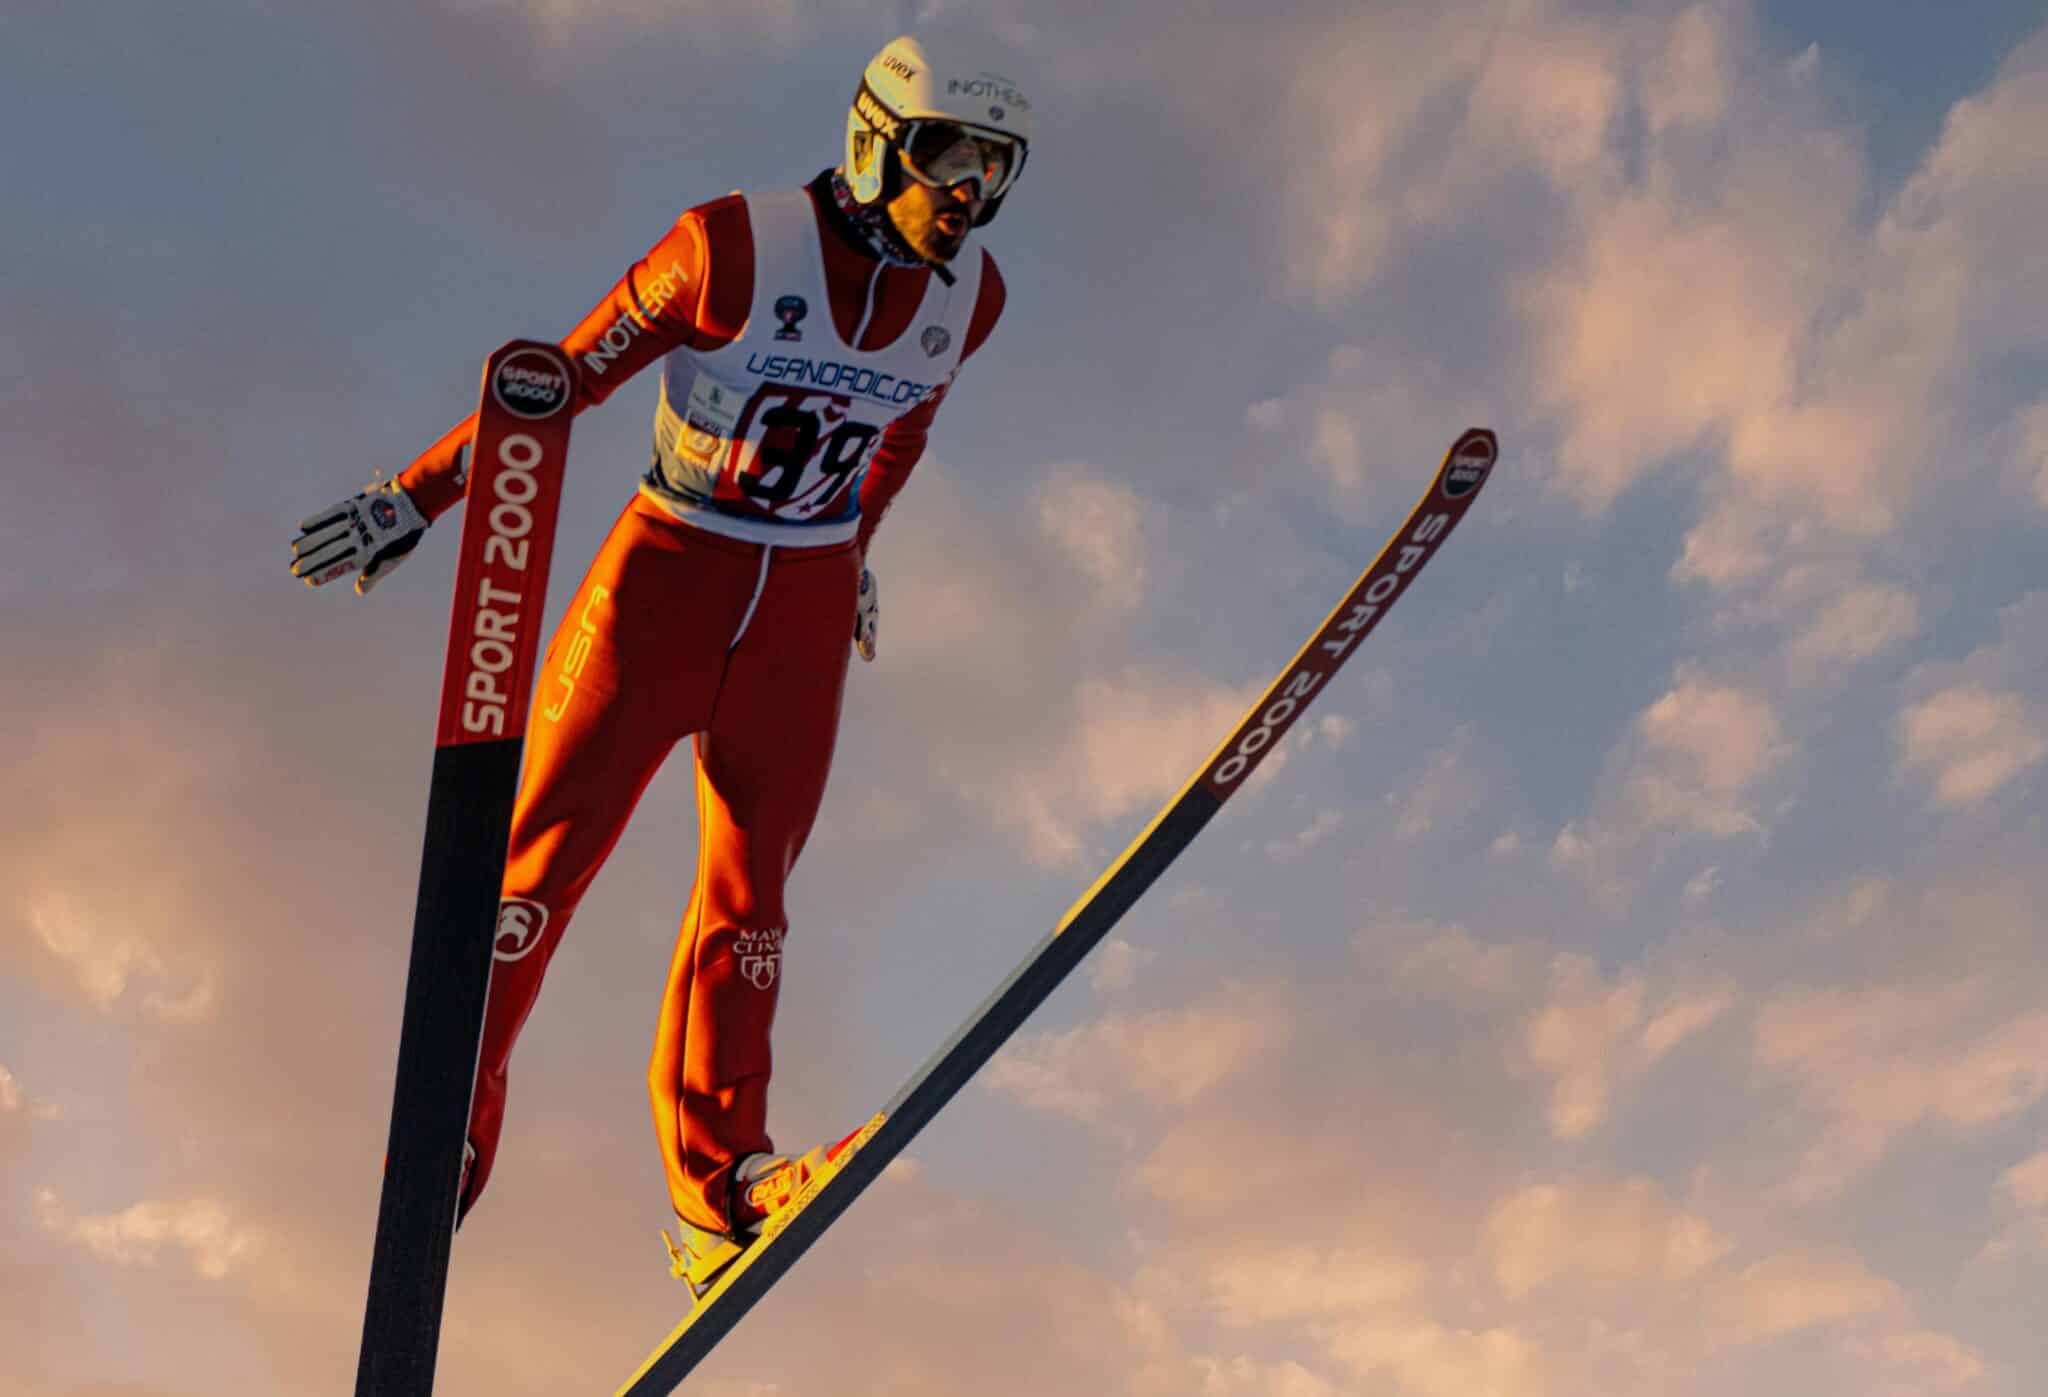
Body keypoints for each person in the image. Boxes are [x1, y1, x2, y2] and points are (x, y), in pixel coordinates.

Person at [290, 34, 1028, 1275]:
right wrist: (414, 498)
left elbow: (900, 434)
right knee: (536, 867)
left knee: (753, 900)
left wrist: (854, 551)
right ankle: (445, 1142)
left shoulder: (974, 298)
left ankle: (719, 1190)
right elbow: (560, 382)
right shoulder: (729, 245)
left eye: (996, 168)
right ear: (874, 140)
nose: (969, 190)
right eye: (946, 154)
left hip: (799, 601)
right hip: (667, 574)